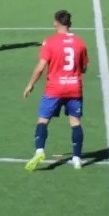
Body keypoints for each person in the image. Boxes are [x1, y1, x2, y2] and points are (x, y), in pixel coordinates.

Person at [22, 10, 90, 171]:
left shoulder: (50, 42)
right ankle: (77, 159)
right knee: (75, 123)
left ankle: (39, 150)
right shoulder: (80, 43)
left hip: (54, 89)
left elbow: (40, 68)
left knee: (43, 121)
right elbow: (84, 67)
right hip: (74, 88)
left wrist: (30, 84)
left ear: (56, 23)